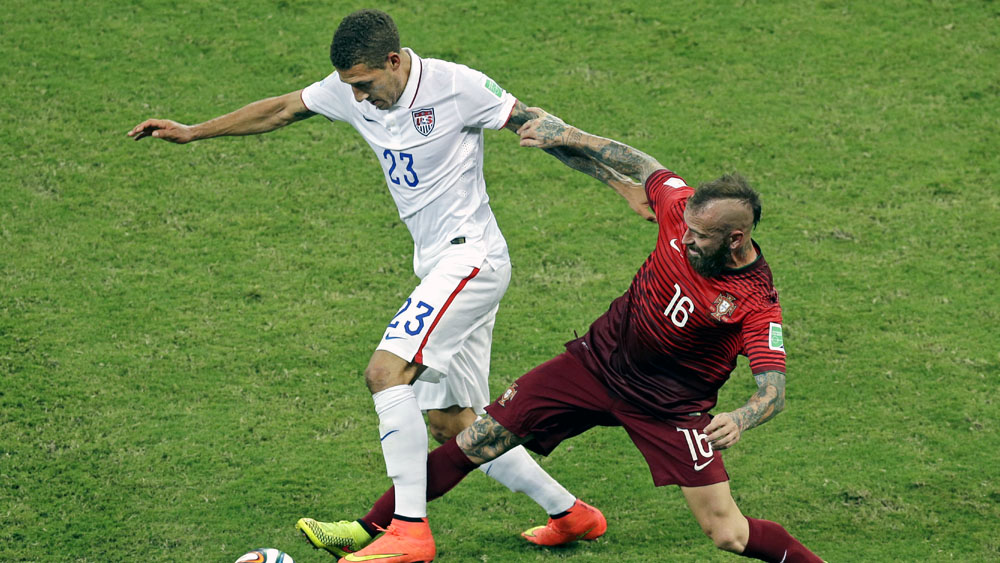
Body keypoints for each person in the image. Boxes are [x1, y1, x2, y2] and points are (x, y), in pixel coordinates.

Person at [126, 10, 645, 561]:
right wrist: (192, 131)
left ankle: (409, 533)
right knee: (453, 424)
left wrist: (624, 183)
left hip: (471, 260)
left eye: (367, 85)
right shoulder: (350, 88)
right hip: (440, 266)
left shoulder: (456, 86)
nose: (359, 98)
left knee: (385, 372)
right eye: (350, 87)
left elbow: (546, 130)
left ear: (394, 61)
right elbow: (281, 108)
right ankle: (572, 515)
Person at [335, 110, 825, 562]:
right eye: (688, 228)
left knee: (729, 535)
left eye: (699, 236)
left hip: (669, 409)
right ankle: (371, 528)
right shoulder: (681, 210)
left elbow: (773, 391)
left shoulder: (756, 303)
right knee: (477, 440)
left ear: (735, 239)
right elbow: (642, 162)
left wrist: (741, 417)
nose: (685, 238)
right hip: (593, 366)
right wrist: (567, 135)